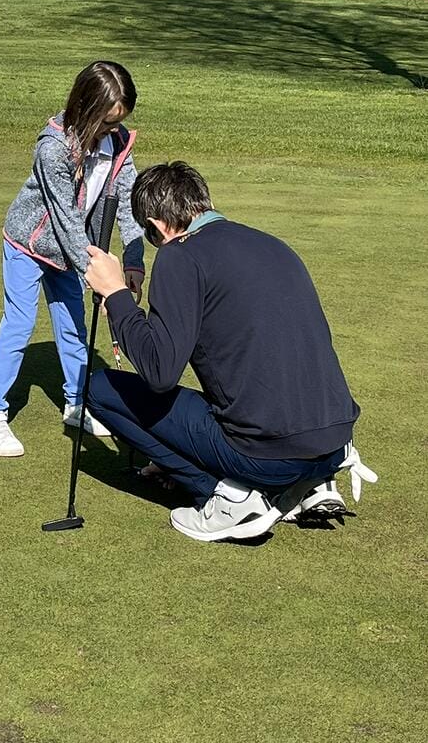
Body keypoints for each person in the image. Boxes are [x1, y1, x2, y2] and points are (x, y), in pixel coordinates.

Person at [84, 161, 377, 542]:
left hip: (271, 454)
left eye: (149, 235)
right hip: (335, 444)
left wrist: (116, 295)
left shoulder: (179, 255)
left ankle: (229, 498)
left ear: (157, 226)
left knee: (99, 389)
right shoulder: (272, 243)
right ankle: (306, 483)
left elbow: (160, 373)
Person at [0, 60, 146, 458]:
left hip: (71, 251)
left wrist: (133, 262)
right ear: (86, 107)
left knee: (72, 327)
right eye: (106, 121)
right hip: (28, 245)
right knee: (19, 325)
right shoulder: (53, 148)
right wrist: (97, 275)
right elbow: (66, 217)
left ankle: (77, 404)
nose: (113, 130)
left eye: (119, 121)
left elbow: (128, 205)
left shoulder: (118, 141)